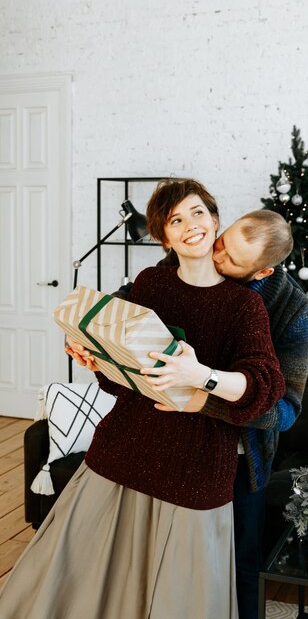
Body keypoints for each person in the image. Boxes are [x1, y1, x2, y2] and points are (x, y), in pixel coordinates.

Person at [0, 180, 284, 619]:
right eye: (176, 220)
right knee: (74, 581)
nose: (191, 225)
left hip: (196, 472)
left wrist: (201, 377)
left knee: (181, 601)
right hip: (122, 453)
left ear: (214, 220)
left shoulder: (244, 306)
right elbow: (123, 382)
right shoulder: (149, 283)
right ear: (163, 236)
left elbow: (265, 390)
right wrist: (97, 358)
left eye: (198, 213)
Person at [136, 208, 308, 619]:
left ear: (263, 273)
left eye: (233, 260)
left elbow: (286, 411)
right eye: (222, 242)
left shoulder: (291, 309)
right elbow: (133, 315)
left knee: (241, 565)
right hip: (169, 441)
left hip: (240, 459)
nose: (216, 257)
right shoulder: (184, 262)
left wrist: (207, 399)